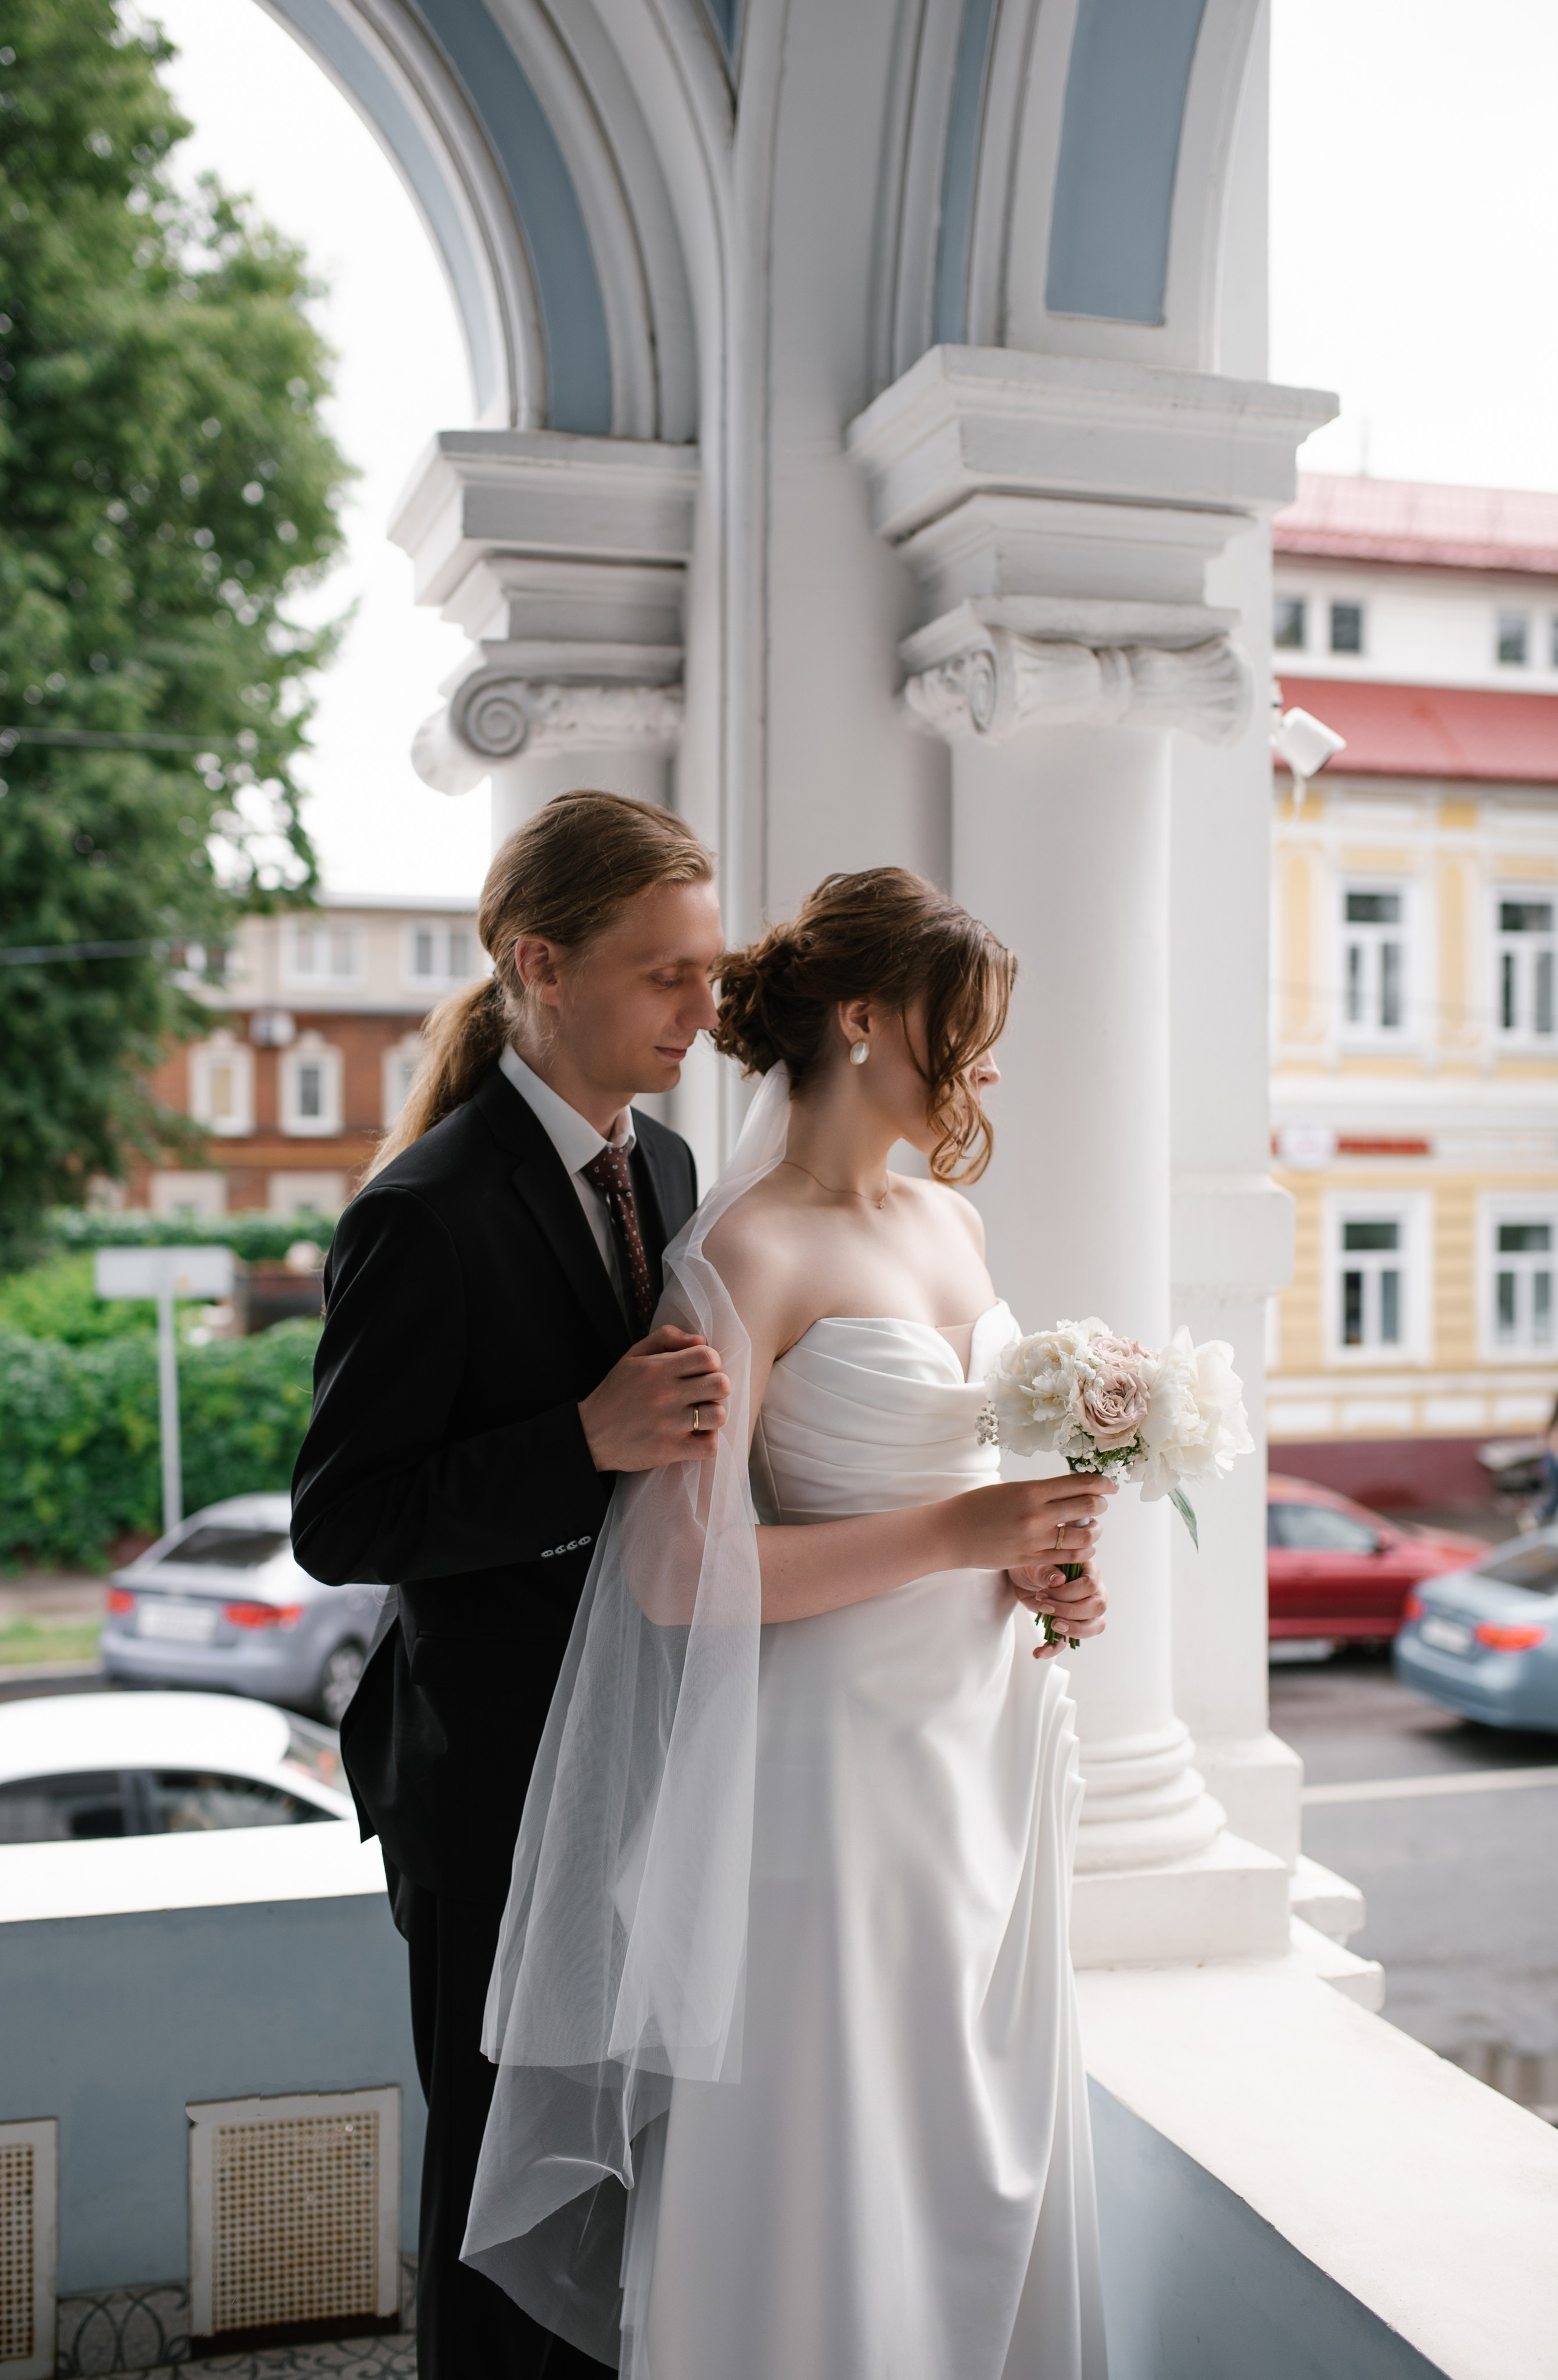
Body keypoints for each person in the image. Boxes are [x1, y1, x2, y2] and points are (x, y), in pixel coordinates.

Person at [464, 868, 1111, 2379]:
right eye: (968, 1029)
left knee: (968, 2142)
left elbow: (973, 1484)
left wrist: (1041, 1569)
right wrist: (961, 1535)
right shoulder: (737, 1256)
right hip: (832, 1777)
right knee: (842, 2147)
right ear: (865, 1018)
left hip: (985, 1747)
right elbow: (674, 1575)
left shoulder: (951, 1220)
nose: (989, 1067)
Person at [290, 790, 732, 2380]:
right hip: (486, 1783)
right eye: (665, 973)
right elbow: (343, 1519)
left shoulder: (666, 1162)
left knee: (609, 2176)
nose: (703, 1009)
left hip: (638, 1765)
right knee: (497, 2196)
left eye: (710, 971)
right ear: (540, 965)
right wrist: (580, 1441)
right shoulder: (423, 1211)